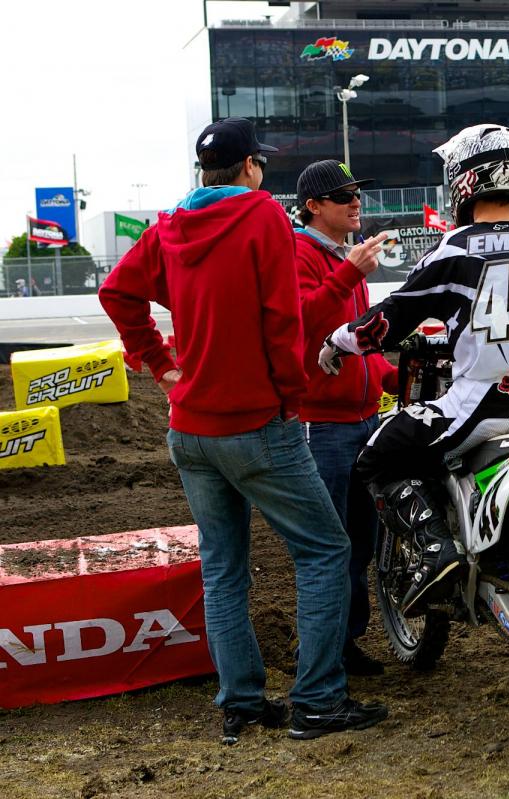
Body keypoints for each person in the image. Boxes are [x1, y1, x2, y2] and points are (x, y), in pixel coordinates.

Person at [98, 117, 387, 743]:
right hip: (258, 423)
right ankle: (317, 700)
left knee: (223, 568)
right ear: (252, 167)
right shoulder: (261, 216)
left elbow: (116, 292)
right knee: (325, 551)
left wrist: (159, 362)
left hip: (190, 430)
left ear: (206, 171)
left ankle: (242, 703)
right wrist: (292, 394)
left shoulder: (172, 223)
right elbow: (283, 319)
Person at [318, 123, 509, 616]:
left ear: (464, 178)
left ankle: (434, 549)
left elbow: (387, 321)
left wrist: (336, 342)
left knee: (376, 456)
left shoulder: (457, 245)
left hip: (475, 404)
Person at [294, 159, 398, 676]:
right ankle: (320, 652)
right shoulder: (300, 253)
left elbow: (356, 341)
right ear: (313, 206)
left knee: (359, 539)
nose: (355, 201)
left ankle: (344, 641)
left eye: (356, 192)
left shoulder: (341, 257)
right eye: (342, 196)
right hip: (321, 424)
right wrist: (348, 273)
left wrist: (388, 376)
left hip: (358, 418)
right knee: (330, 544)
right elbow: (306, 325)